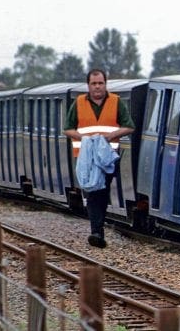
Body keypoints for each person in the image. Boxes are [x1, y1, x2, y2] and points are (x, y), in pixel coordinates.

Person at [63, 69, 134, 248]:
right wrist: (84, 139)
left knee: (101, 192)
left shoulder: (116, 102)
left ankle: (97, 231)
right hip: (86, 158)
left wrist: (110, 136)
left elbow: (129, 126)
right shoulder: (78, 103)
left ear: (105, 84)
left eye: (100, 83)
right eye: (94, 84)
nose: (97, 87)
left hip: (108, 158)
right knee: (93, 192)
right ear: (88, 85)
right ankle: (97, 231)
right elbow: (67, 129)